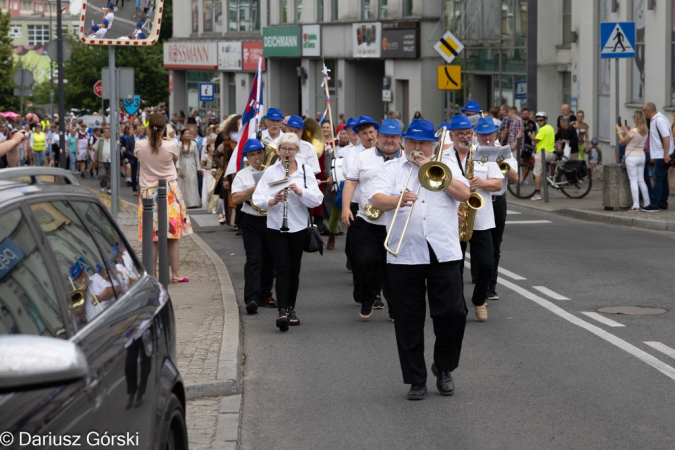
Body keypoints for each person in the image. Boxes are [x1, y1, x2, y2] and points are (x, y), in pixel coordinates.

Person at [371, 118, 470, 400]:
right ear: (404, 143)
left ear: (432, 145)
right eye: (413, 142)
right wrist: (397, 201)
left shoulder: (446, 167)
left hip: (444, 252)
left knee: (453, 313)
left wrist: (431, 169)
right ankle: (416, 379)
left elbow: (465, 194)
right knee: (408, 319)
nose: (417, 147)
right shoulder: (391, 169)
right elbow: (376, 199)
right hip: (404, 255)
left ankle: (444, 367)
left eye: (423, 143)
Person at [252, 133, 324, 332]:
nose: (287, 152)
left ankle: (291, 307)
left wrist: (300, 192)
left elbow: (317, 199)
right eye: (284, 148)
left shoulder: (305, 171)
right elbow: (258, 198)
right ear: (278, 150)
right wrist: (273, 200)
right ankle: (282, 311)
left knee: (294, 269)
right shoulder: (271, 172)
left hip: (298, 225)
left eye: (291, 149)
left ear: (297, 151)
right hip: (276, 225)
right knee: (282, 268)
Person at [341, 119, 402, 321]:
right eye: (386, 136)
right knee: (365, 263)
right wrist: (345, 208)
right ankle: (367, 301)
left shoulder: (407, 159)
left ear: (399, 139)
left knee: (393, 269)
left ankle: (394, 308)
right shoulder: (363, 157)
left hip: (396, 223)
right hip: (368, 220)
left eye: (393, 137)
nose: (389, 140)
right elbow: (350, 183)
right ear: (379, 137)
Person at [450, 116, 504, 321]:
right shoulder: (443, 156)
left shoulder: (484, 154)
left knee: (486, 265)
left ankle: (479, 299)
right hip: (454, 218)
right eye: (460, 134)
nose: (465, 137)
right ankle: (458, 304)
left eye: (468, 133)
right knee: (454, 266)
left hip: (481, 219)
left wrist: (482, 183)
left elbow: (498, 185)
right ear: (453, 136)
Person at [135, 113, 193, 282]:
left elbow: (139, 155)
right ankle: (175, 274)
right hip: (169, 192)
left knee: (152, 237)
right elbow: (175, 159)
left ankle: (151, 275)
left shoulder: (139, 145)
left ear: (148, 128)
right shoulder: (171, 145)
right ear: (164, 129)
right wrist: (166, 140)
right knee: (172, 236)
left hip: (148, 193)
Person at [232, 139, 277, 314]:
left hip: (270, 219)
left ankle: (265, 295)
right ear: (247, 158)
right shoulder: (242, 175)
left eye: (259, 153)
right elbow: (235, 199)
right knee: (253, 260)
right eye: (252, 154)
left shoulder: (272, 172)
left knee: (270, 259)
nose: (257, 157)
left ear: (264, 154)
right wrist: (254, 188)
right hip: (251, 221)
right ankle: (251, 298)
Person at [477, 118, 518, 302]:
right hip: (476, 200)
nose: (487, 138)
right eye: (483, 134)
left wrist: (502, 162)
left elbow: (515, 178)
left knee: (494, 245)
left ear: (495, 134)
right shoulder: (472, 152)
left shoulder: (504, 152)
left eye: (490, 134)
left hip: (497, 201)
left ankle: (490, 287)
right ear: (477, 134)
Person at [342, 115, 379, 300]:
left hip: (380, 207)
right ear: (359, 136)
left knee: (378, 254)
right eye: (364, 133)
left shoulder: (383, 152)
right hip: (357, 206)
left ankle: (376, 293)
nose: (369, 136)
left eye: (371, 132)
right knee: (356, 252)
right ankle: (360, 286)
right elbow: (350, 178)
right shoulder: (352, 154)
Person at [641, 102, 674, 212]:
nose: (643, 113)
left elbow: (666, 137)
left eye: (643, 110)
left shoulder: (659, 120)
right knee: (663, 179)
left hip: (662, 155)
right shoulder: (657, 119)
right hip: (662, 154)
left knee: (657, 179)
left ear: (648, 110)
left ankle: (654, 204)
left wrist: (665, 154)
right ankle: (662, 203)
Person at [617, 111, 650, 210]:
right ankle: (647, 202)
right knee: (641, 181)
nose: (632, 118)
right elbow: (633, 138)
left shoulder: (633, 131)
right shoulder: (645, 130)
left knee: (633, 181)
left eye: (633, 117)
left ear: (636, 118)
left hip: (631, 157)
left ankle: (636, 204)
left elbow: (623, 141)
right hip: (641, 156)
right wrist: (624, 128)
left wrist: (619, 131)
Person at [528, 112, 556, 201]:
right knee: (542, 171)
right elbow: (542, 139)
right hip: (551, 153)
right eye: (537, 121)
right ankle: (548, 175)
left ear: (545, 120)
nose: (539, 122)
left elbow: (535, 140)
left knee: (537, 173)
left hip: (543, 154)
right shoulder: (550, 128)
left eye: (541, 120)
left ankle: (538, 194)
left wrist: (529, 133)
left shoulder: (543, 129)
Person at [176, 129, 202, 208]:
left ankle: (193, 202)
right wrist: (177, 166)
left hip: (192, 165)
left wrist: (198, 167)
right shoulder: (179, 144)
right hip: (182, 164)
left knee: (192, 182)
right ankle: (183, 202)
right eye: (186, 133)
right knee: (183, 183)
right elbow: (177, 156)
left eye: (189, 133)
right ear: (182, 135)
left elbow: (197, 156)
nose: (187, 135)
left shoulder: (194, 144)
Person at [95, 127, 112, 193]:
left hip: (110, 161)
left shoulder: (113, 140)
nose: (107, 133)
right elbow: (96, 150)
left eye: (108, 131)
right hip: (102, 160)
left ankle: (109, 188)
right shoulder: (100, 140)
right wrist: (95, 160)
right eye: (106, 131)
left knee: (109, 175)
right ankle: (102, 186)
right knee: (102, 174)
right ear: (104, 133)